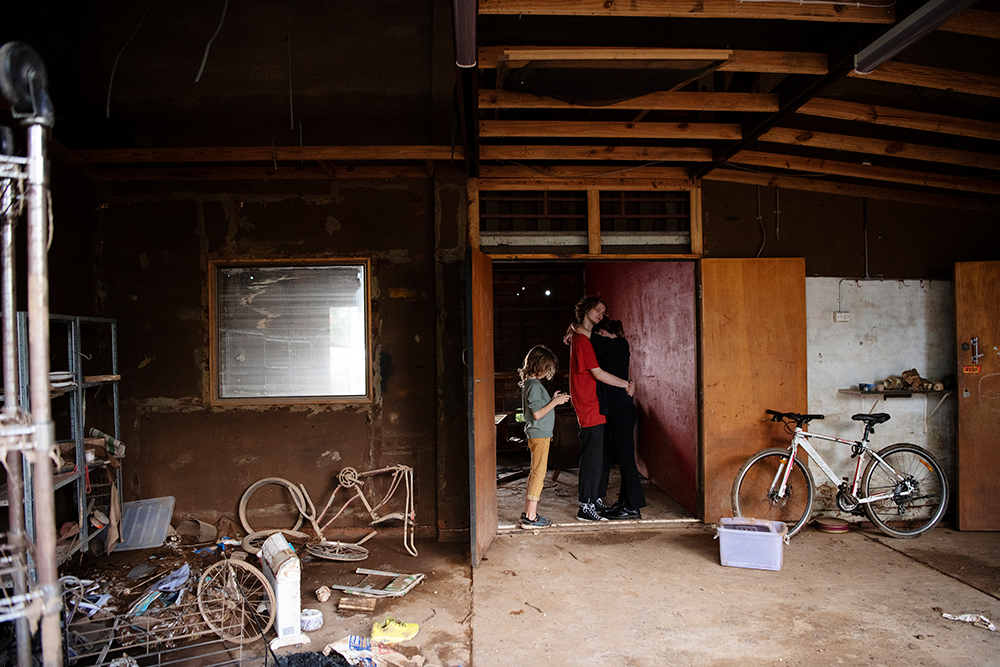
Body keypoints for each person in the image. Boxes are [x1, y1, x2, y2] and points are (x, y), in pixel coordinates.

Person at [567, 296, 634, 522]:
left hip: (595, 404)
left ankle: (594, 498)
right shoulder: (583, 341)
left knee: (601, 455)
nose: (600, 314)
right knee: (592, 457)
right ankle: (585, 506)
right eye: (597, 309)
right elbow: (598, 374)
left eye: (603, 312)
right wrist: (626, 384)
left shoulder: (584, 337)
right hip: (588, 404)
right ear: (585, 309)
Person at [589, 318, 646, 519]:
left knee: (626, 459)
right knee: (624, 458)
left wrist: (572, 330)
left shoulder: (609, 344)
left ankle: (633, 506)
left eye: (599, 333)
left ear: (603, 332)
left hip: (621, 411)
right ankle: (625, 502)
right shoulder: (621, 345)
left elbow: (583, 332)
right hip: (625, 409)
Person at [517, 344, 570, 529]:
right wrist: (555, 402)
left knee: (535, 473)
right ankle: (531, 518)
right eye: (547, 368)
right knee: (539, 474)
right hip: (540, 435)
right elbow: (538, 414)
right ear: (539, 365)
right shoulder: (533, 385)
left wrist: (551, 399)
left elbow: (538, 408)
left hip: (539, 434)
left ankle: (527, 513)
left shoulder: (531, 384)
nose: (548, 372)